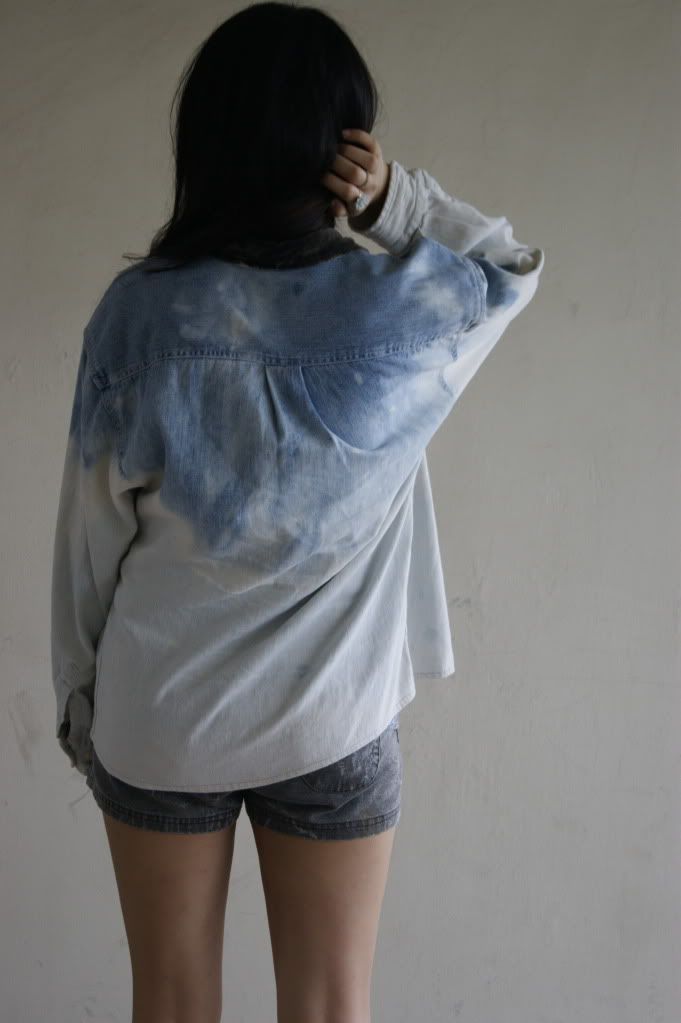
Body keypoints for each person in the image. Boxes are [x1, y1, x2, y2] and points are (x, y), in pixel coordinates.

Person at [50, 4, 544, 1022]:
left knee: (170, 1003)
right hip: (334, 716)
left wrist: (80, 706)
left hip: (161, 713)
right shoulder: (403, 309)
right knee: (328, 1007)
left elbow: (89, 546)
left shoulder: (140, 313)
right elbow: (511, 271)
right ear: (339, 146)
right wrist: (399, 202)